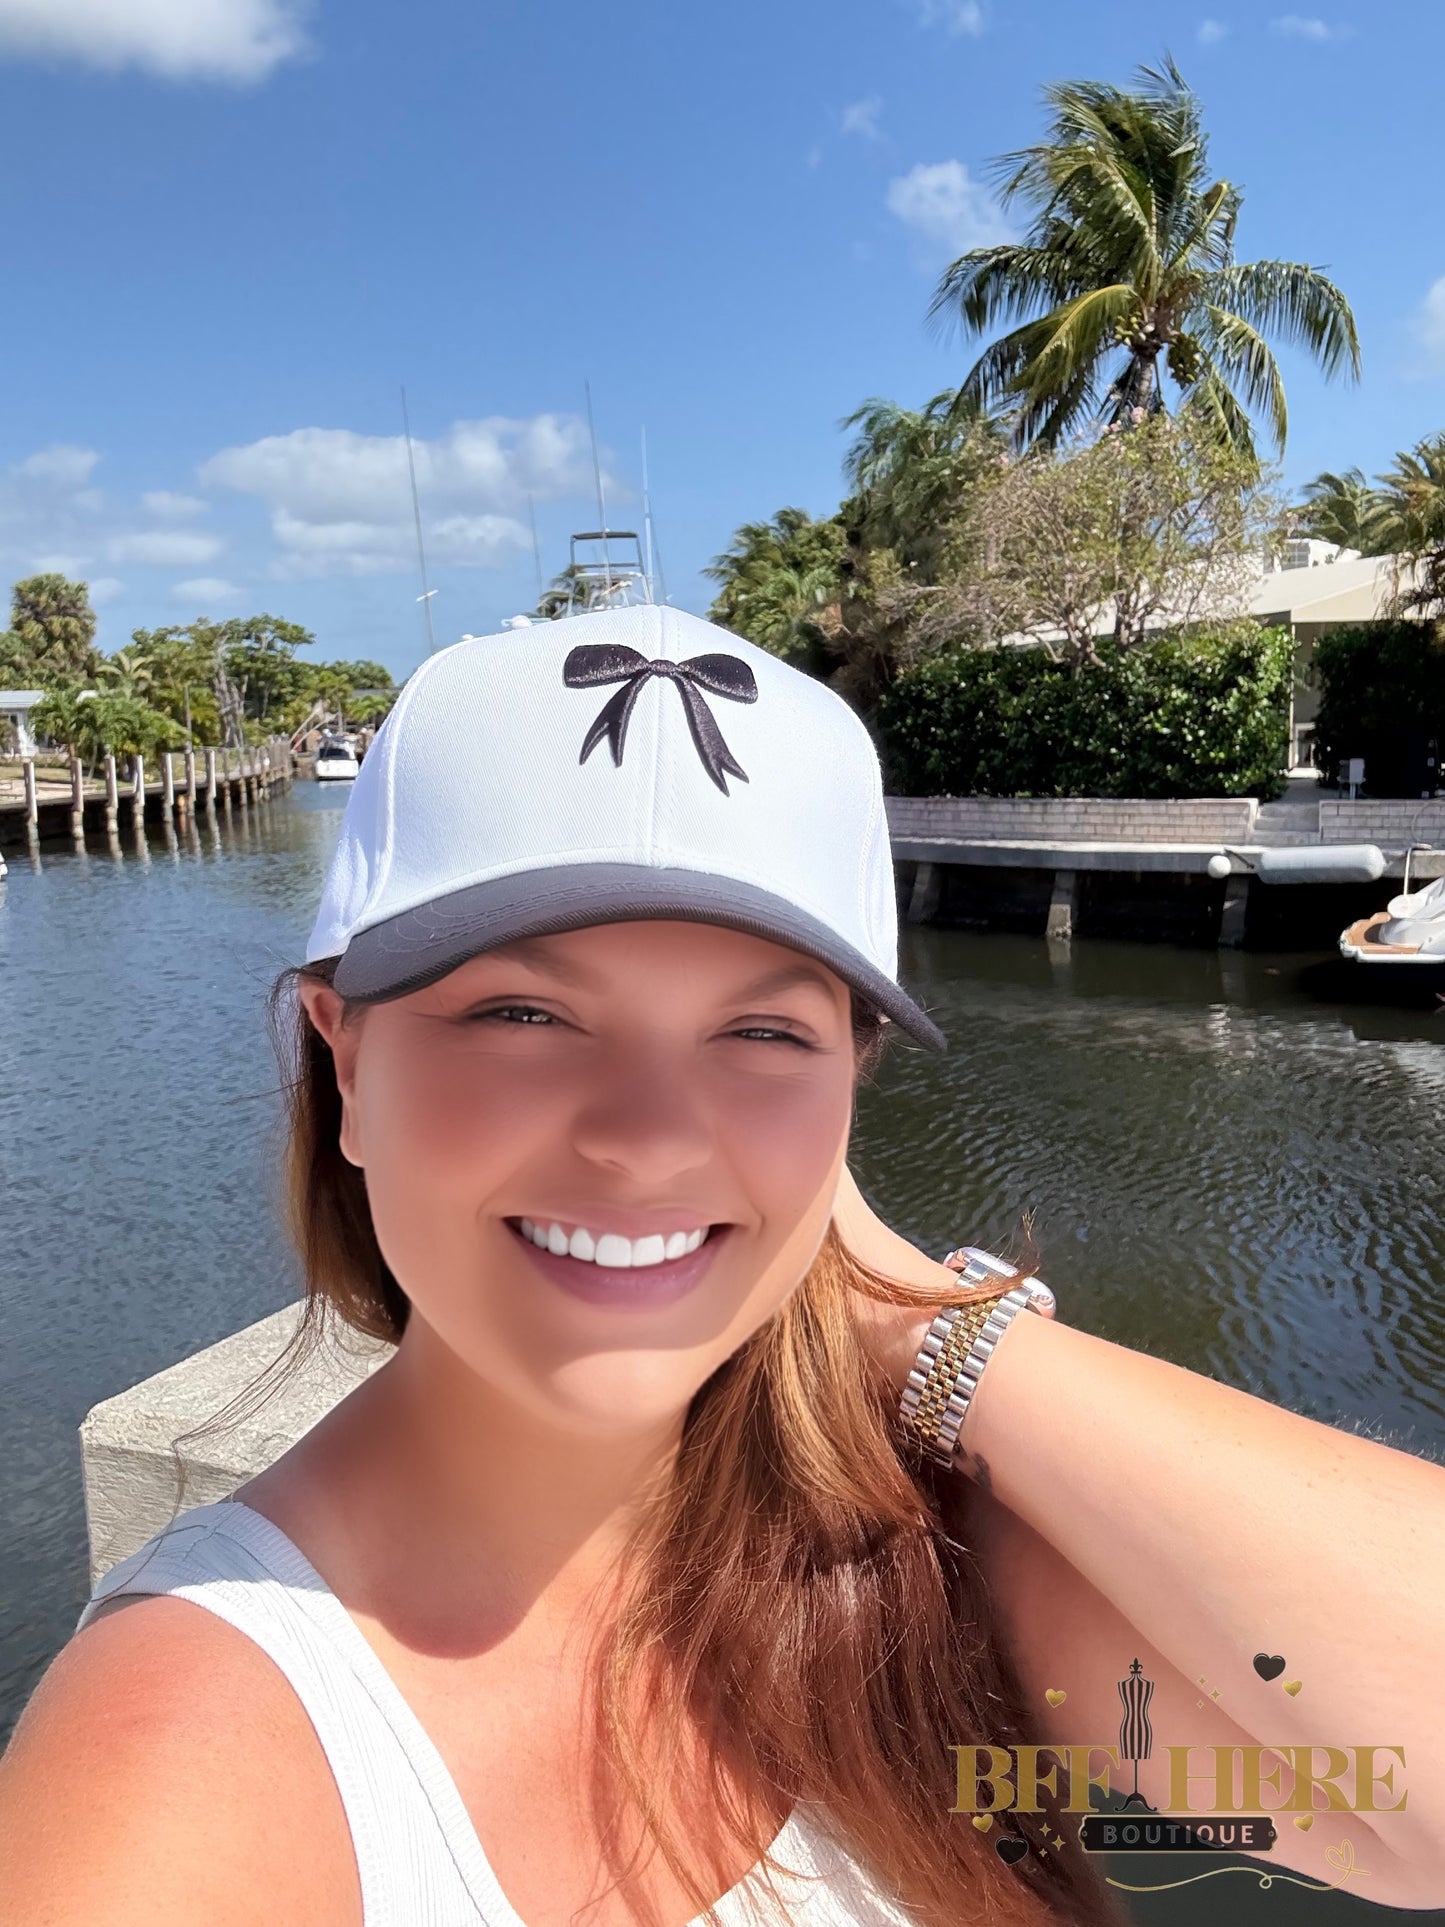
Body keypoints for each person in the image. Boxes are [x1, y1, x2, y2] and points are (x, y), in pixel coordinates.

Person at [2, 605, 1443, 1926]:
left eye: (763, 1033)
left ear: (850, 1090)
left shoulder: (913, 1550)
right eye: (522, 1014)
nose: (646, 1140)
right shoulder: (191, 1750)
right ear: (348, 1062)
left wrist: (919, 1324)